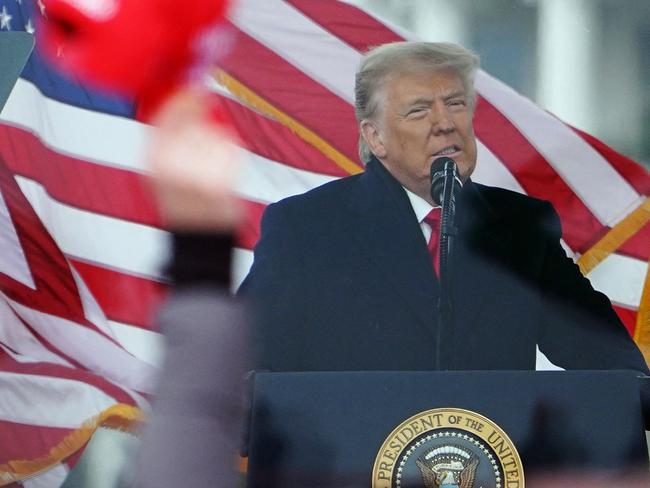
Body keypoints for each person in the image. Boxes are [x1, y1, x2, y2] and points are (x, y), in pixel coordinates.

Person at [239, 41, 648, 374]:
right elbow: (247, 369)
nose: (445, 122)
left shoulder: (520, 227)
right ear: (375, 137)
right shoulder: (308, 227)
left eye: (455, 104)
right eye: (419, 110)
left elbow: (612, 366)